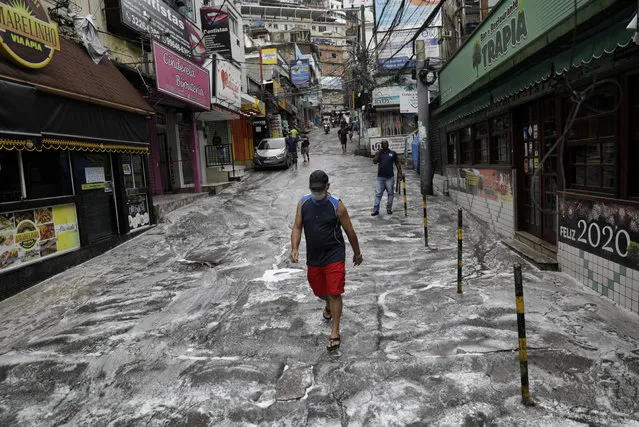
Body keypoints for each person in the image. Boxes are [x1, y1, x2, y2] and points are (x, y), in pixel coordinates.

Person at [290, 170, 363, 351]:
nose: (317, 192)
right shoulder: (304, 203)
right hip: (314, 257)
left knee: (335, 292)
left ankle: (335, 331)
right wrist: (294, 248)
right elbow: (297, 227)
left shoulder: (337, 205)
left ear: (327, 187)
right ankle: (328, 305)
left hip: (334, 254)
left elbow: (350, 231)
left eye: (320, 189)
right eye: (313, 189)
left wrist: (357, 253)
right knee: (319, 291)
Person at [372, 140, 403, 216]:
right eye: (383, 144)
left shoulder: (393, 153)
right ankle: (376, 210)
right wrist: (379, 152)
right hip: (380, 178)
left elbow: (397, 163)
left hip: (390, 177)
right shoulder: (379, 153)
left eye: (386, 143)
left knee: (390, 194)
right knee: (378, 193)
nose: (385, 145)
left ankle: (389, 209)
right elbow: (374, 161)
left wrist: (400, 173)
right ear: (381, 145)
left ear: (388, 144)